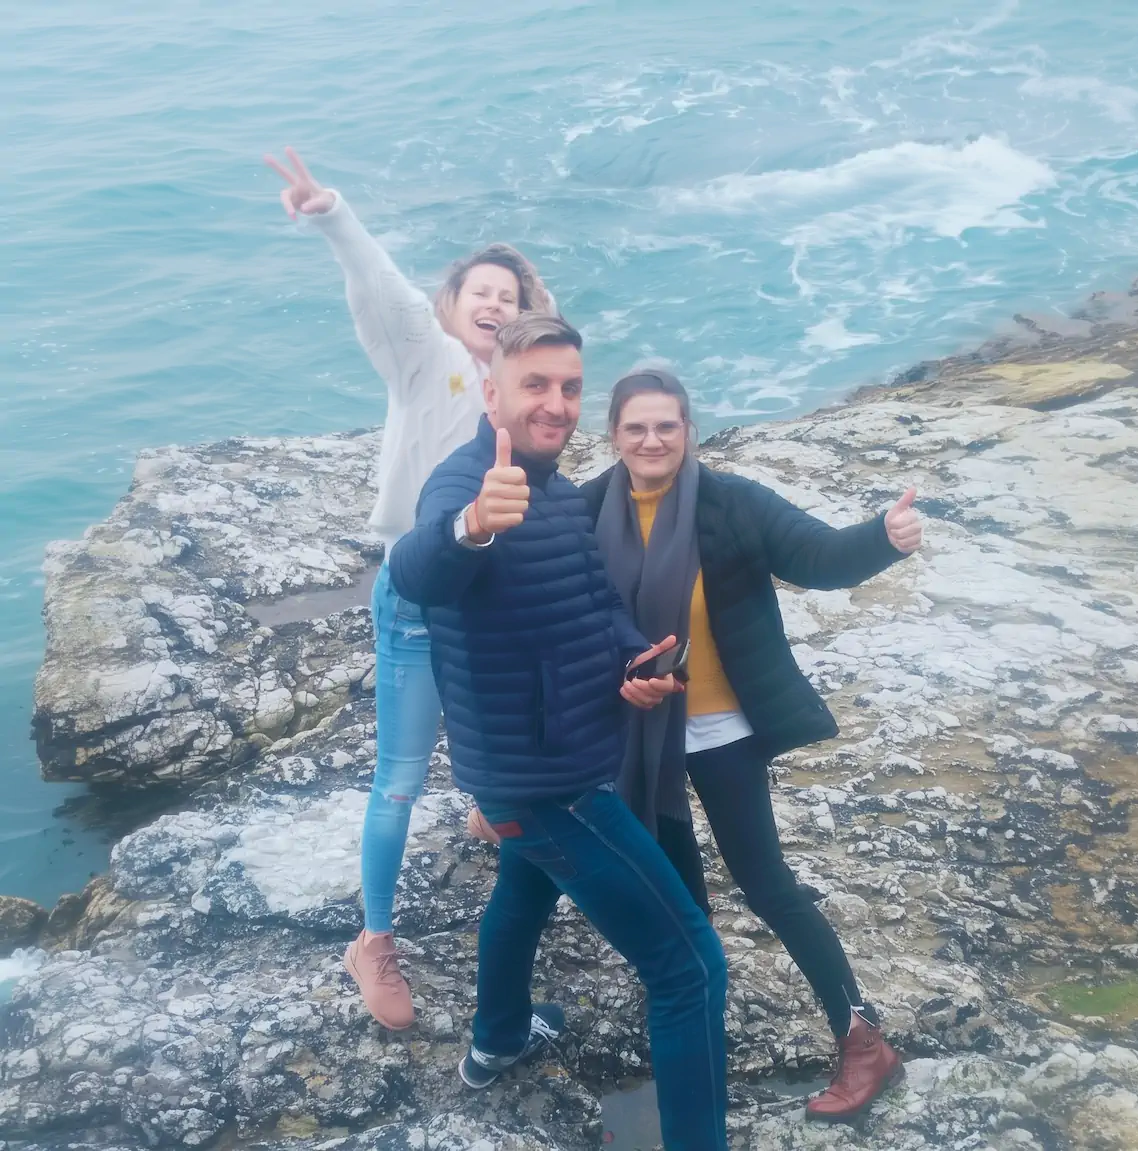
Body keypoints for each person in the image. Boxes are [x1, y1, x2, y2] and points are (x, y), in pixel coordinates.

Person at [388, 314, 730, 1151]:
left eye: (570, 387)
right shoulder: (472, 483)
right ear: (492, 389)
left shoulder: (551, 487)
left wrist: (633, 658)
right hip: (549, 786)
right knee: (690, 968)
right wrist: (470, 525)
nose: (555, 402)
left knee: (522, 889)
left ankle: (497, 1035)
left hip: (557, 759)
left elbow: (590, 602)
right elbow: (416, 568)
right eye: (535, 384)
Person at [576, 366, 922, 1123]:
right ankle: (698, 1043)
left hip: (722, 731)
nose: (652, 438)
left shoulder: (729, 503)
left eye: (666, 424)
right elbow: (565, 620)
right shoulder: (583, 512)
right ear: (612, 435)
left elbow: (816, 556)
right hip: (635, 737)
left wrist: (882, 539)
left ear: (689, 430)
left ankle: (863, 1040)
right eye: (635, 426)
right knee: (681, 901)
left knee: (766, 885)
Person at [265, 147, 554, 1030]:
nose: (496, 303)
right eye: (482, 293)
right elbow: (382, 289)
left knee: (503, 732)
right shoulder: (425, 358)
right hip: (419, 591)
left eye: (510, 295)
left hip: (492, 590)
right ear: (451, 307)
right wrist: (330, 213)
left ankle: (485, 805)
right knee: (398, 776)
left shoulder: (520, 394)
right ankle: (373, 941)